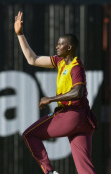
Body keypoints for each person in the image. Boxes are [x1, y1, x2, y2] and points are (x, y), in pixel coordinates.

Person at [14, 11, 97, 174]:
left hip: (72, 114)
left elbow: (78, 91)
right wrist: (20, 34)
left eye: (60, 44)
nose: (57, 47)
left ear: (69, 47)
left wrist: (51, 99)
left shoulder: (75, 66)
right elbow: (33, 59)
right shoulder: (60, 62)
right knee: (85, 169)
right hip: (83, 122)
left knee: (29, 135)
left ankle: (49, 172)